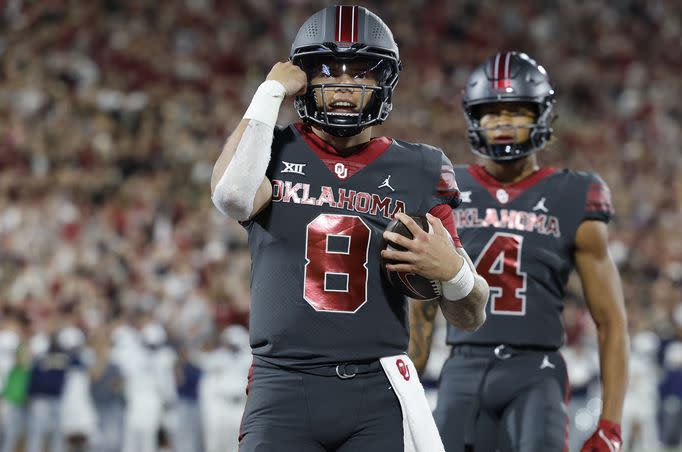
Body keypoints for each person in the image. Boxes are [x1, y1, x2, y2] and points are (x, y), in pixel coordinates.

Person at [209, 5, 489, 451]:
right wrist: (268, 93)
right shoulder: (271, 148)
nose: (342, 86)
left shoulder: (422, 167)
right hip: (283, 384)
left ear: (384, 83)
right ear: (303, 80)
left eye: (359, 74)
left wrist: (453, 272)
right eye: (327, 71)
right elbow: (231, 195)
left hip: (374, 390)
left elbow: (472, 313)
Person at [408, 51, 629, 452]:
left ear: (541, 115)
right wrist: (403, 399)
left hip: (536, 371)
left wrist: (610, 423)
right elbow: (421, 311)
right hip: (461, 367)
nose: (504, 123)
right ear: (474, 118)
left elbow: (611, 321)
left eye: (517, 111)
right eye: (492, 112)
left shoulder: (575, 193)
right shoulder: (444, 185)